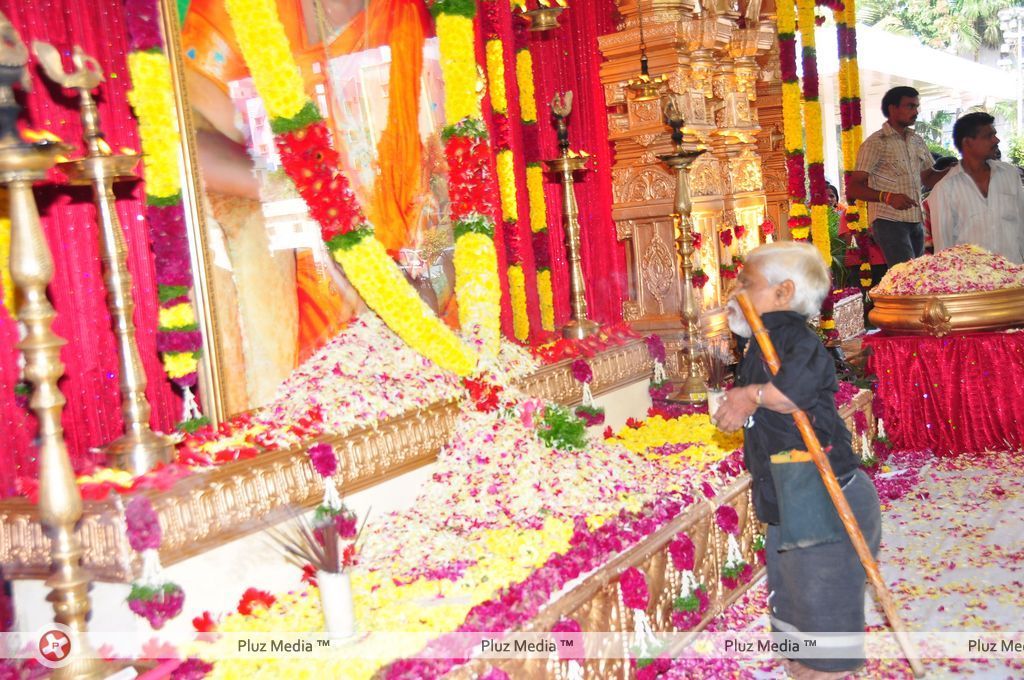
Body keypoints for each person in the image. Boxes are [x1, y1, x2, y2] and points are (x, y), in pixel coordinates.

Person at [712, 242, 881, 679]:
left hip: (824, 497)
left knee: (820, 588)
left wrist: (750, 397)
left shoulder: (790, 334)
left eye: (746, 283)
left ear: (784, 293)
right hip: (794, 494)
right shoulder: (762, 339)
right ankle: (805, 660)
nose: (735, 290)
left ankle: (824, 667)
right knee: (792, 586)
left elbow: (792, 393)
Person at [847, 86, 953, 266]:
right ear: (892, 109)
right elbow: (854, 187)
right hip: (889, 221)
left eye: (917, 106)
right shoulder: (875, 143)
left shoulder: (916, 140)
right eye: (910, 106)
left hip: (916, 220)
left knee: (916, 275)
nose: (916, 112)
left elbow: (928, 178)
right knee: (907, 277)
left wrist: (954, 170)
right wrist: (886, 197)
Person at [927, 112, 1024, 264]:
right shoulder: (944, 189)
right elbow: (943, 250)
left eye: (995, 134)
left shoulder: (1010, 175)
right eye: (989, 136)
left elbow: (1022, 225)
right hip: (974, 282)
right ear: (968, 143)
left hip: (1015, 277)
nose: (996, 140)